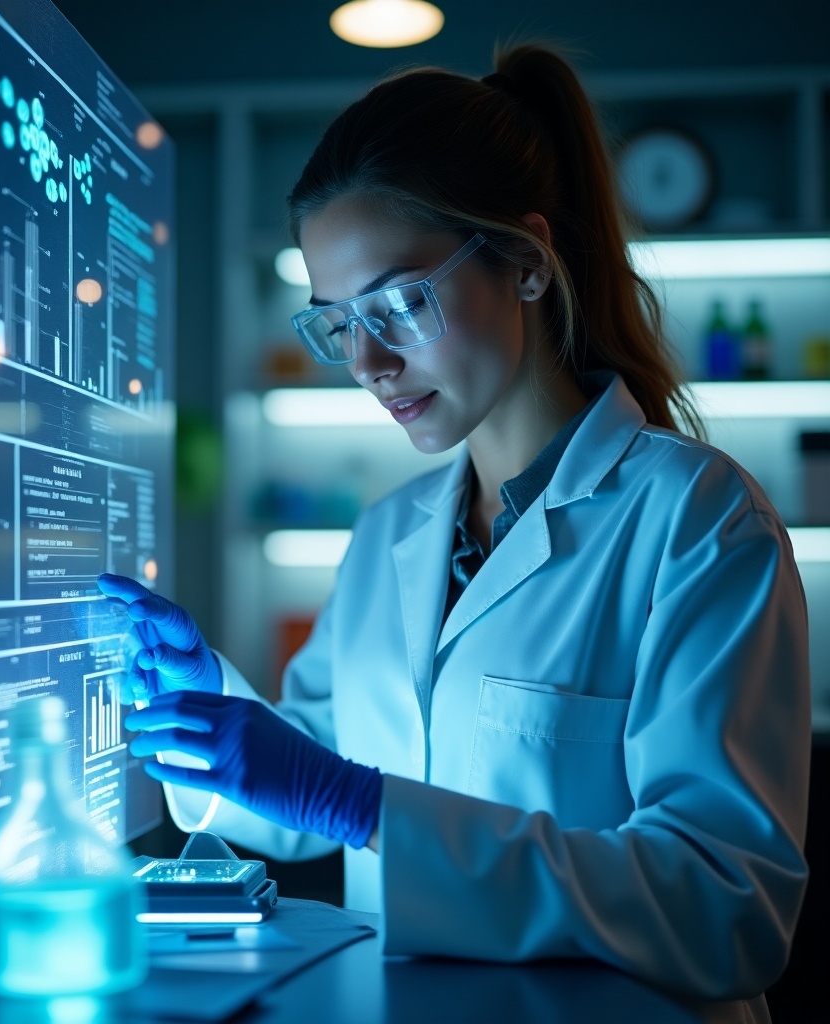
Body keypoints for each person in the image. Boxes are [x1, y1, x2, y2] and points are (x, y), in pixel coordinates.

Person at [98, 43, 810, 1009]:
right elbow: (310, 782)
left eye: (399, 301)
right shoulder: (389, 532)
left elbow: (724, 907)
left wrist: (357, 802)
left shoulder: (697, 520)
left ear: (524, 259)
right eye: (337, 322)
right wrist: (214, 717)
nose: (369, 362)